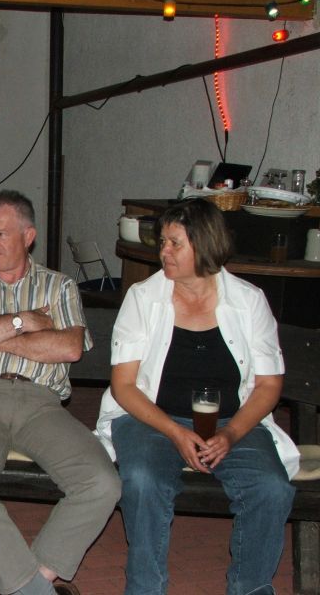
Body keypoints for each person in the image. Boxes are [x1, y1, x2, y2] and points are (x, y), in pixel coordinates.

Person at [95, 198, 299, 595]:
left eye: (175, 243)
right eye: (163, 242)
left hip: (232, 421)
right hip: (152, 418)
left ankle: (250, 589)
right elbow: (124, 386)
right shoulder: (143, 298)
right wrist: (175, 432)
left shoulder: (248, 300)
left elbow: (268, 385)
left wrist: (231, 434)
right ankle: (145, 589)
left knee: (271, 489)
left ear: (205, 245)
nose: (164, 252)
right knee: (143, 480)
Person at [0, 190, 121, 595]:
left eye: (0, 233)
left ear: (28, 236)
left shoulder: (59, 286)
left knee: (101, 482)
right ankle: (34, 590)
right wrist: (24, 321)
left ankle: (31, 577)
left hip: (41, 403)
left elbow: (69, 347)